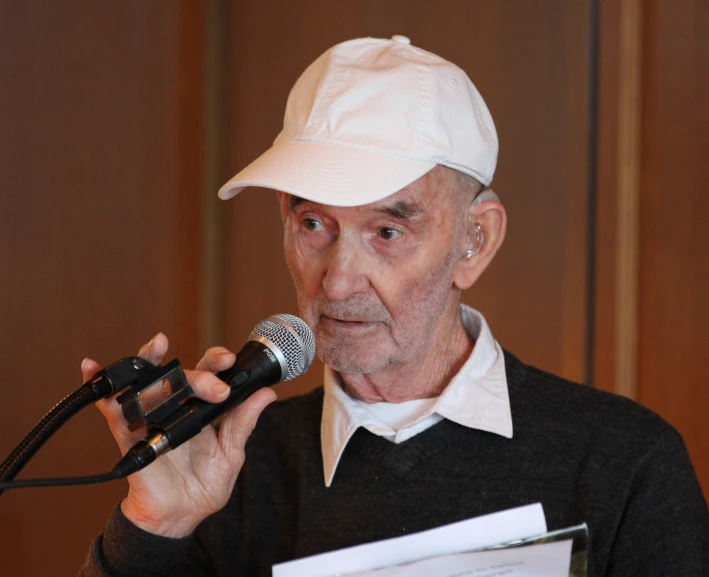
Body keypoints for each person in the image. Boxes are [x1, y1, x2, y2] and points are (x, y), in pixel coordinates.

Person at [80, 36, 709, 576]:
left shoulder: (623, 462)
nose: (337, 282)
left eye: (388, 231)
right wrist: (152, 527)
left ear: (474, 240)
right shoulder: (225, 468)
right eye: (314, 224)